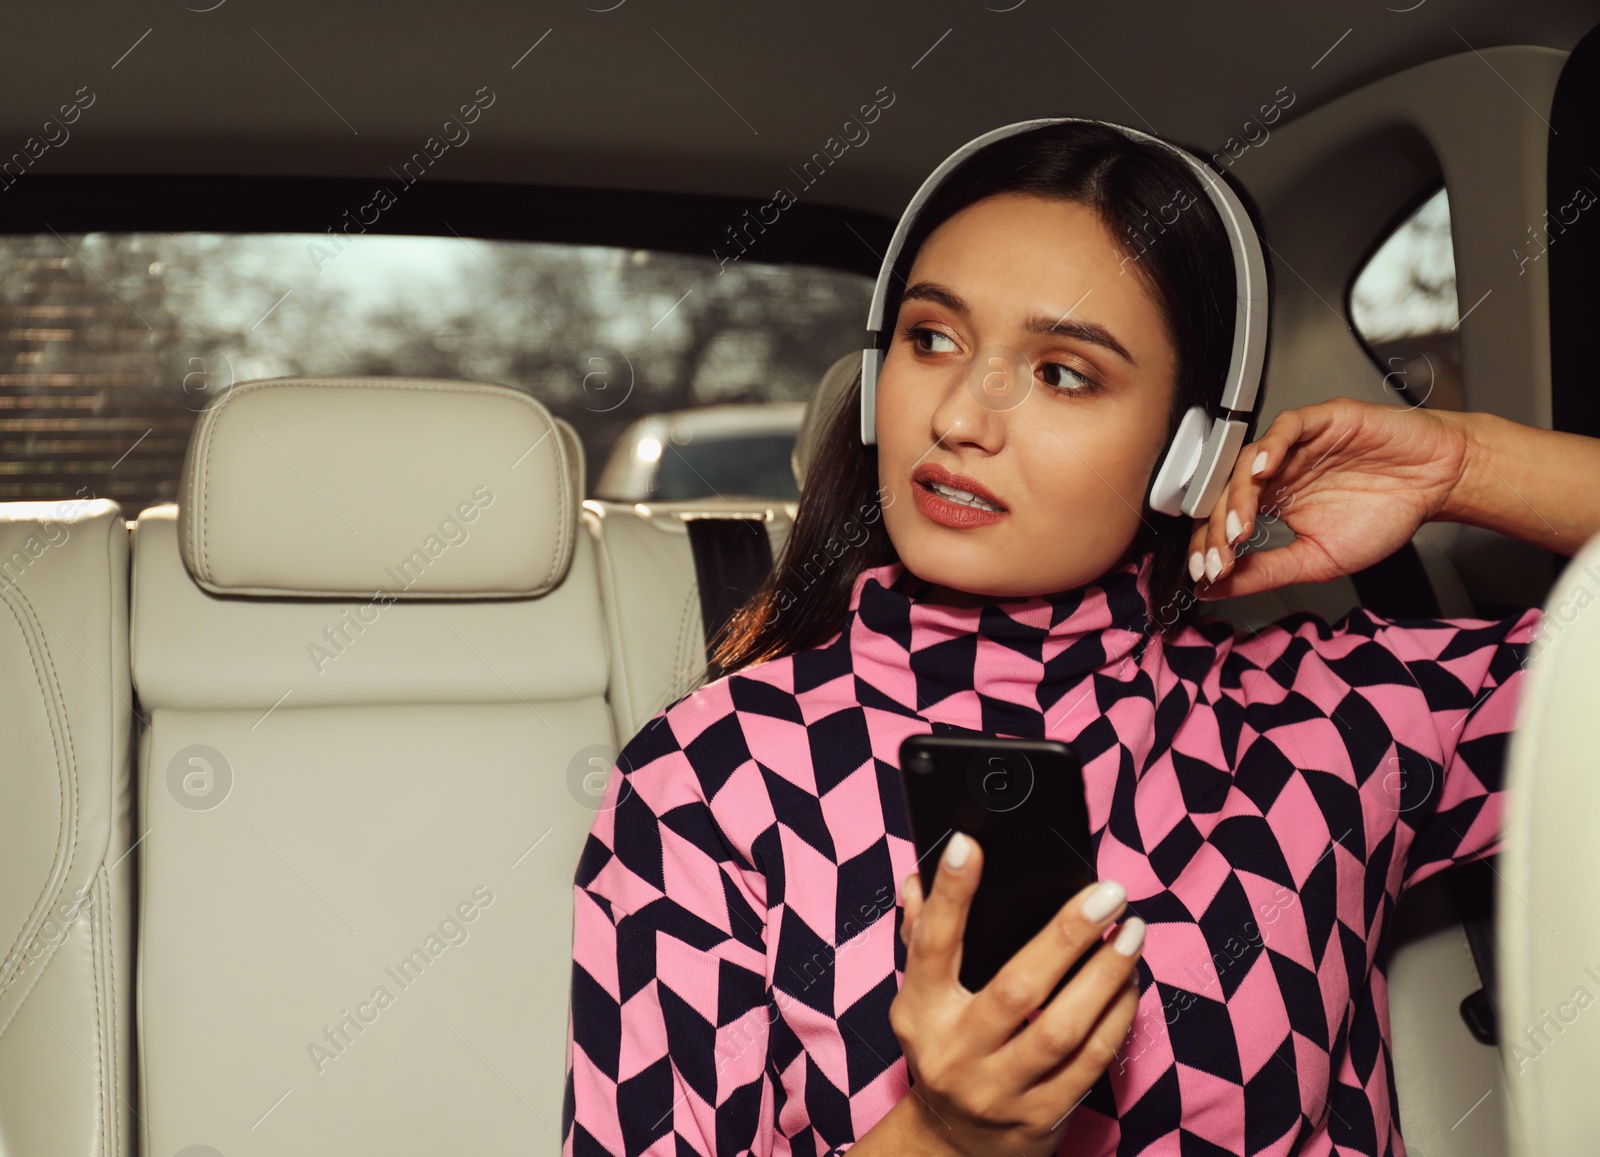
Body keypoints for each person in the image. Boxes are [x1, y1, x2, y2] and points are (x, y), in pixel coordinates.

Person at [560, 120, 1600, 1157]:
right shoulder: (708, 775)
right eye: (933, 339)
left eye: (1063, 372)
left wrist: (1465, 467)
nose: (964, 414)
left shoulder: (1336, 719)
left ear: (1188, 452)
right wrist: (942, 1135)